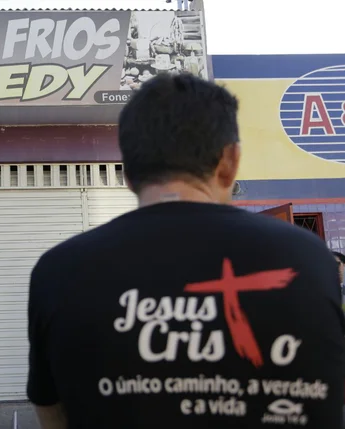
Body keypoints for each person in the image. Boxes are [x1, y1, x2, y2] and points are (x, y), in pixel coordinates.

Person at [27, 73, 345, 429]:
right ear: (230, 162)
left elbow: (52, 413)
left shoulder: (59, 270)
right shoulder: (311, 260)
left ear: (129, 173)